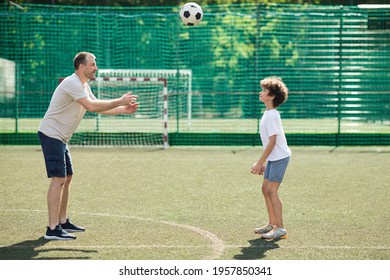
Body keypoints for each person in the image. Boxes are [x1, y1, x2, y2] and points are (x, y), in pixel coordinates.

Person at [38, 52, 139, 240]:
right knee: (58, 179)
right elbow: (92, 107)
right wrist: (120, 100)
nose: (96, 68)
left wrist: (124, 110)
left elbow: (97, 106)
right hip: (51, 134)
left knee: (67, 177)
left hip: (60, 137)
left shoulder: (83, 85)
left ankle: (62, 221)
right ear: (82, 67)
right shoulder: (72, 83)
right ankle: (52, 229)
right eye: (93, 64)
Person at [250, 76, 291, 240]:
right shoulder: (267, 114)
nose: (261, 92)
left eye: (264, 90)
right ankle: (272, 223)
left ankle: (280, 228)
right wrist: (265, 163)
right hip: (274, 158)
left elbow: (273, 141)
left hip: (280, 157)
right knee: (265, 189)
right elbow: (270, 142)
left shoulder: (273, 115)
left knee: (272, 190)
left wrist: (260, 162)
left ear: (272, 96)